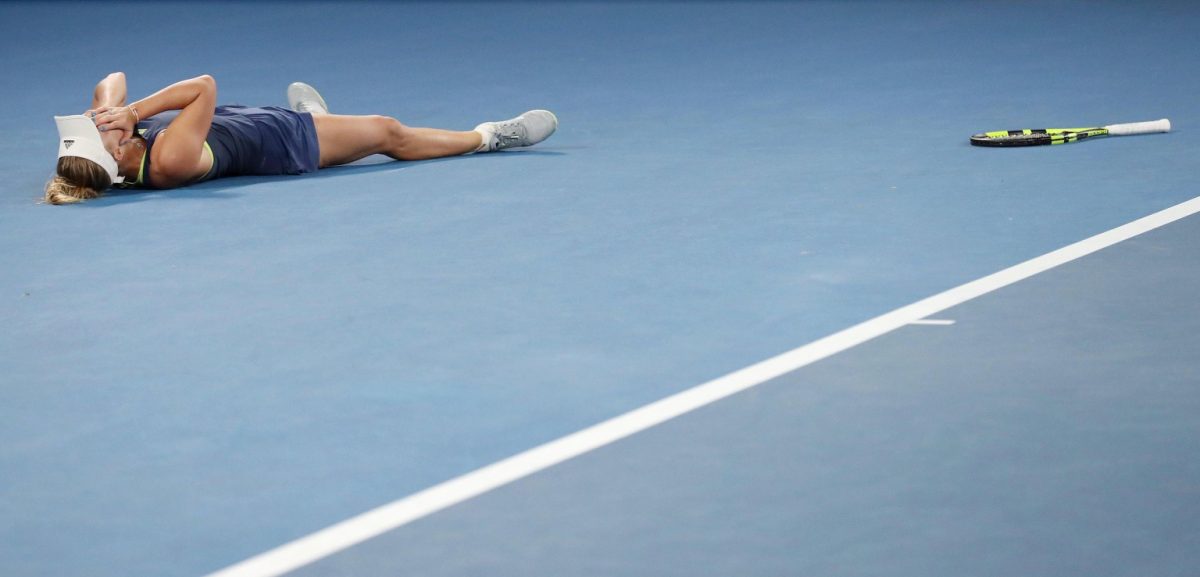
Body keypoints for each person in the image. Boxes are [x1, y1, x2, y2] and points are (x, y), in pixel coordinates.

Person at [46, 72, 558, 204]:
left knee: (354, 129)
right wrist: (132, 111)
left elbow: (110, 77)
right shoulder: (168, 161)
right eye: (97, 131)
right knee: (387, 131)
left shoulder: (114, 144)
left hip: (249, 121)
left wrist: (107, 109)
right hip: (288, 144)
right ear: (114, 155)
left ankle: (327, 120)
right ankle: (488, 137)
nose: (96, 126)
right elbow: (202, 87)